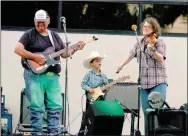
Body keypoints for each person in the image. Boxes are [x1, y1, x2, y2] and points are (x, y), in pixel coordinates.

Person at [14, 9, 86, 135]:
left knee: (55, 106)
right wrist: (35, 57)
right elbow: (17, 49)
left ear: (48, 21)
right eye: (38, 23)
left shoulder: (54, 36)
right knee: (37, 107)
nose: (40, 25)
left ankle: (53, 132)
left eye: (42, 22)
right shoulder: (29, 34)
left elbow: (64, 53)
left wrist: (75, 49)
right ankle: (37, 133)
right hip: (34, 76)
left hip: (52, 77)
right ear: (34, 21)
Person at [116, 17, 167, 135]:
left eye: (148, 27)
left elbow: (161, 59)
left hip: (158, 82)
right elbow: (130, 54)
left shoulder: (159, 42)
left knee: (158, 111)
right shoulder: (139, 42)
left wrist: (152, 50)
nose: (145, 28)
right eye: (144, 26)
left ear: (154, 29)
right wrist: (121, 65)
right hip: (144, 83)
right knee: (146, 112)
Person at [78, 51, 110, 135]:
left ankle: (98, 131)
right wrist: (89, 89)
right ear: (91, 64)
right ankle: (85, 131)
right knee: (89, 115)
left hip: (100, 98)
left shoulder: (104, 75)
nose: (99, 62)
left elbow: (105, 88)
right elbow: (83, 84)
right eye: (96, 61)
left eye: (100, 61)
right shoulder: (88, 74)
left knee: (100, 115)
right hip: (91, 97)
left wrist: (107, 88)